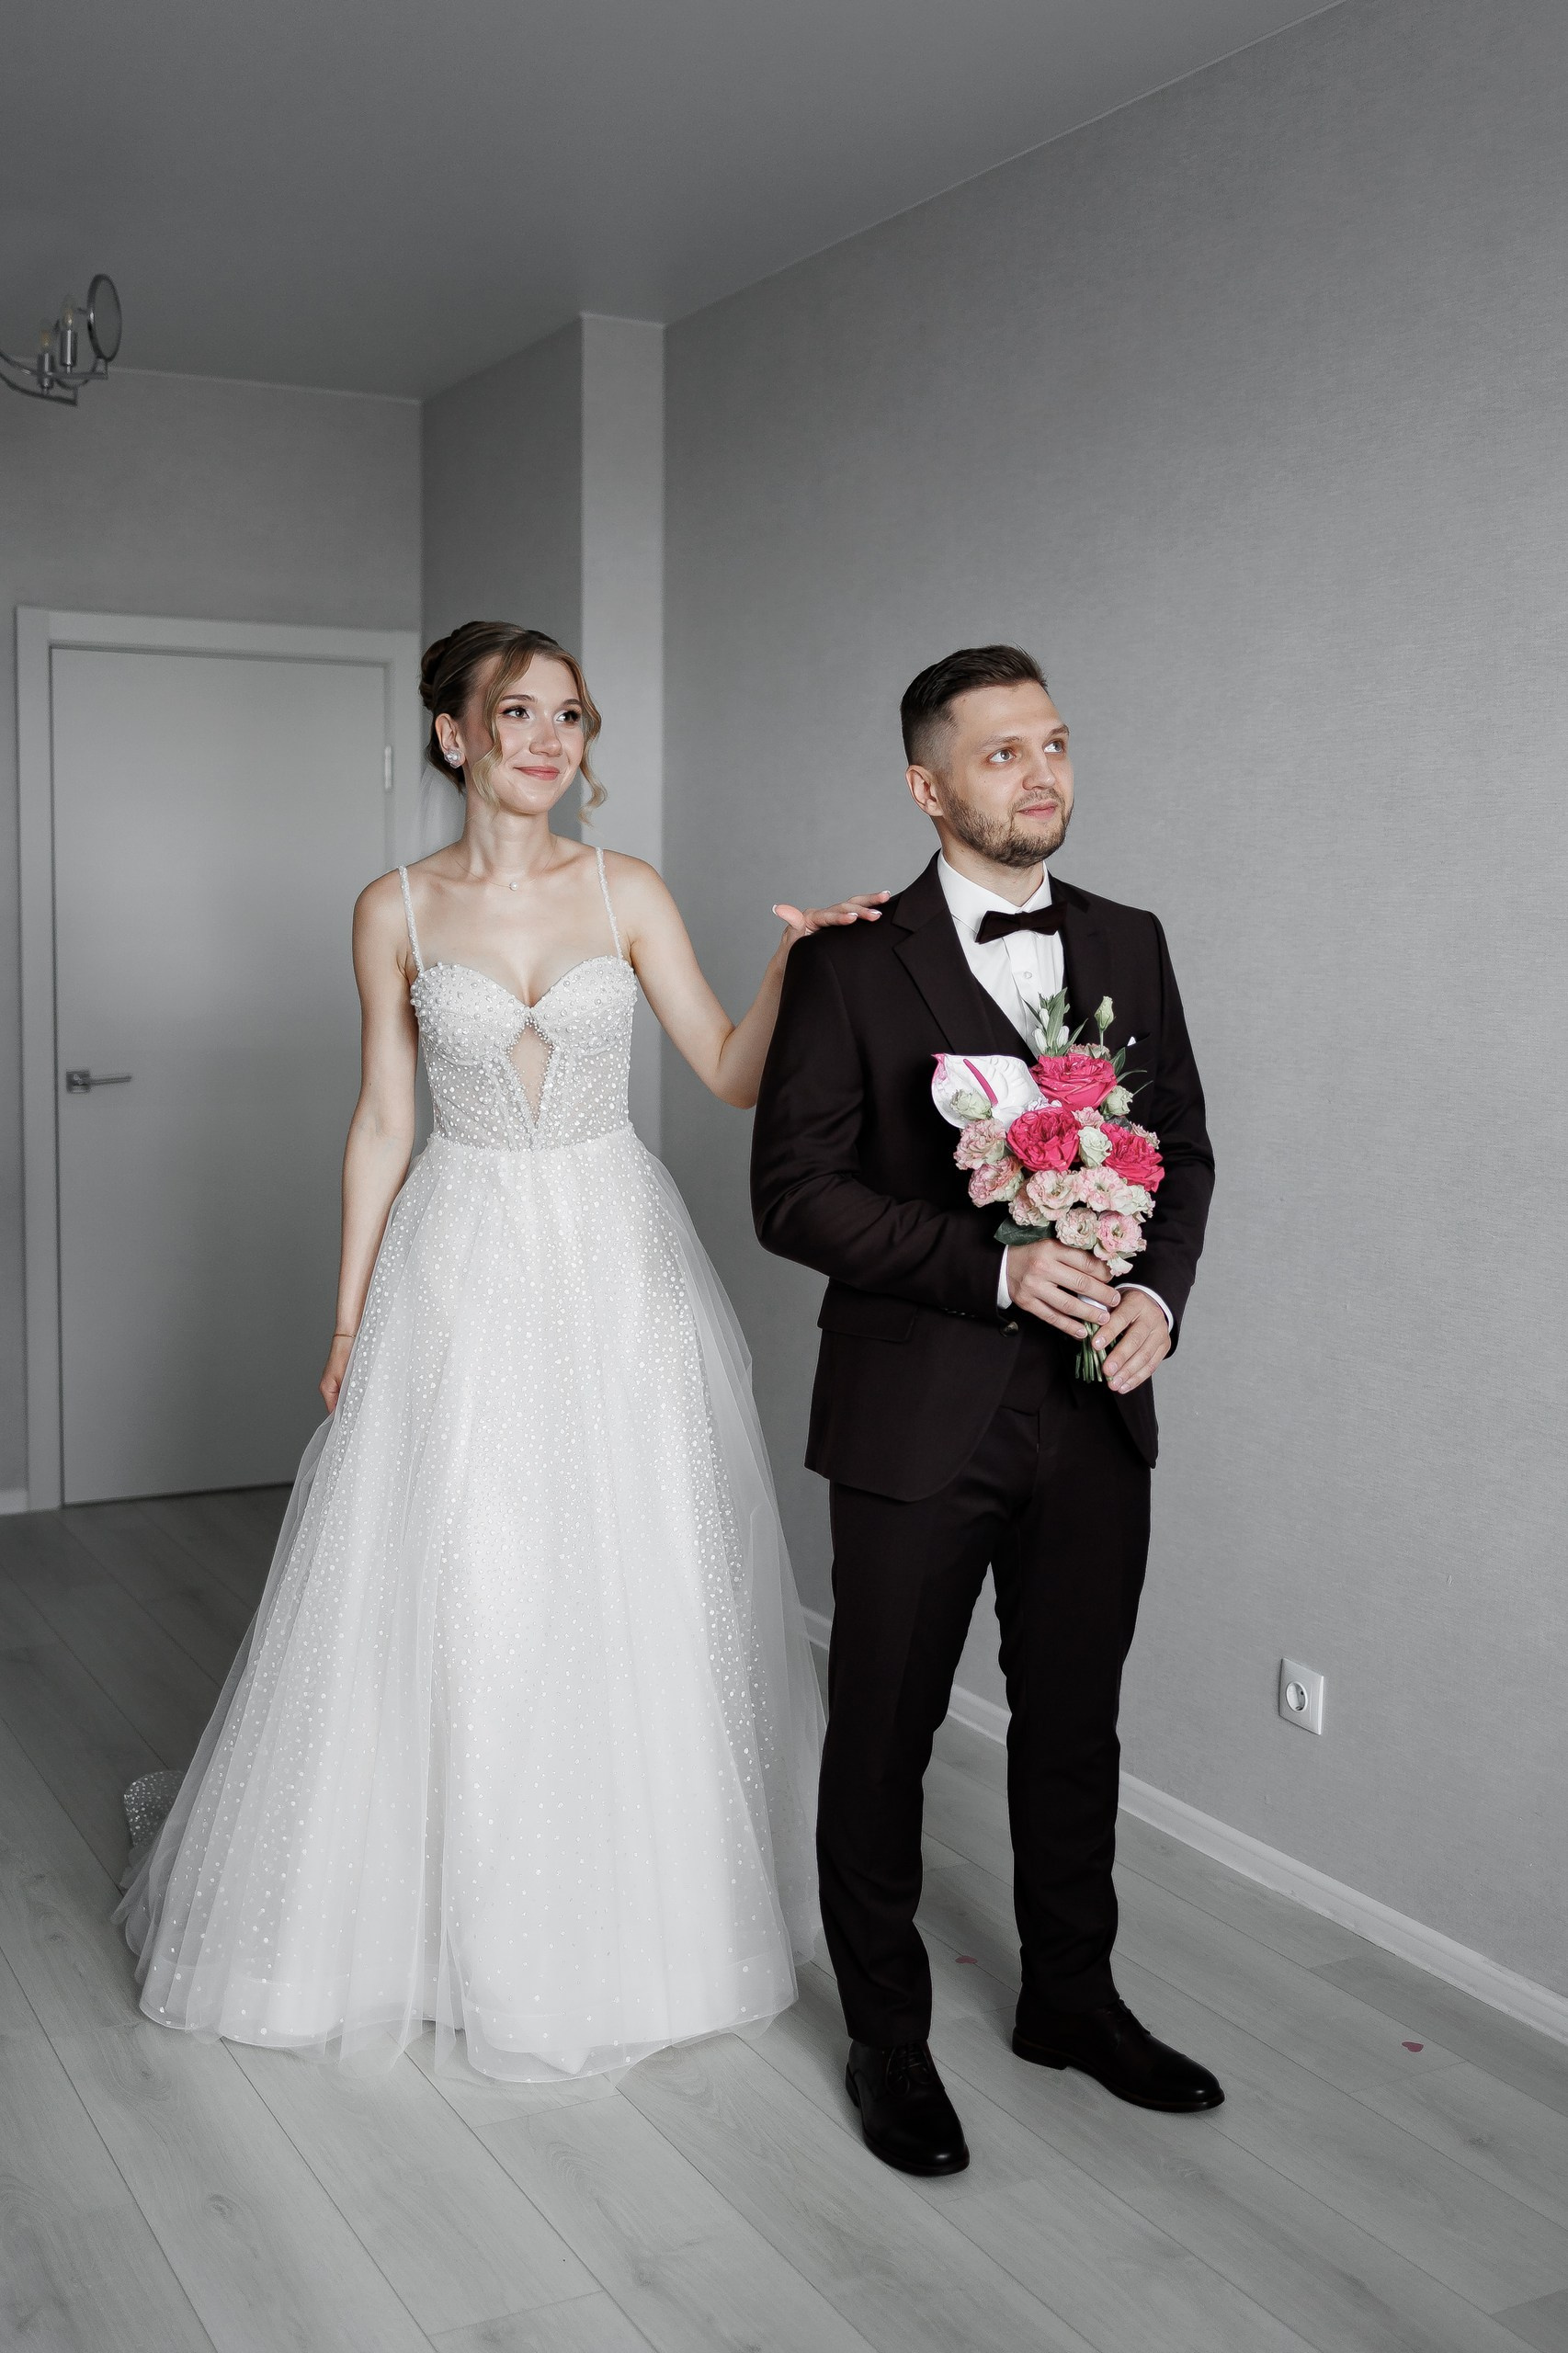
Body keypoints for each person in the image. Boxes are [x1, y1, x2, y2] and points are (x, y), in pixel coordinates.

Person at [119, 620, 885, 2082]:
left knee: (627, 1558)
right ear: (454, 734)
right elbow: (381, 1120)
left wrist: (794, 961)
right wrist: (347, 1317)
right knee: (463, 1561)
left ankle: (630, 1922)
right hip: (458, 1256)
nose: (548, 740)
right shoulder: (394, 909)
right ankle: (431, 1920)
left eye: (570, 717)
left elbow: (730, 1071)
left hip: (614, 1256)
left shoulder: (626, 888)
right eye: (518, 712)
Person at [750, 643, 1221, 2175]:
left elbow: (1181, 1153)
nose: (1040, 774)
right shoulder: (848, 963)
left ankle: (1070, 2001)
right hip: (914, 1413)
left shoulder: (1132, 940)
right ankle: (887, 2040)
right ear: (926, 785)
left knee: (1073, 1725)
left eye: (1055, 744)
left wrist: (1157, 1301)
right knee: (883, 1733)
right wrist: (992, 1266)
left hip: (1094, 1408)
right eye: (1002, 752)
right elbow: (792, 1194)